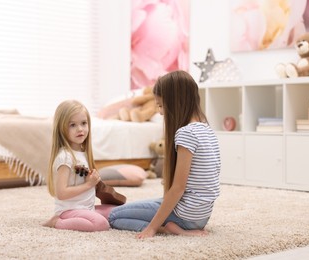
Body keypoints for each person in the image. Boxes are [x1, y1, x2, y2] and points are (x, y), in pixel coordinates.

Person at [108, 70, 221, 238]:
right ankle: (172, 225)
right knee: (149, 204)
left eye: (161, 105)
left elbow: (178, 188)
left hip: (185, 216)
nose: (160, 112)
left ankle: (169, 229)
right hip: (201, 217)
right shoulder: (207, 130)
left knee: (114, 216)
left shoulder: (186, 133)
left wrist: (152, 228)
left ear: (176, 102)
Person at [43, 100, 126, 231]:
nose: (80, 129)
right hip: (69, 211)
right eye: (72, 125)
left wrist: (93, 179)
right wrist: (88, 184)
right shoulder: (65, 157)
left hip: (87, 208)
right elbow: (61, 193)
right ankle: (56, 222)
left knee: (119, 212)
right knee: (101, 224)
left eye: (83, 123)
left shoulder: (83, 153)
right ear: (61, 128)